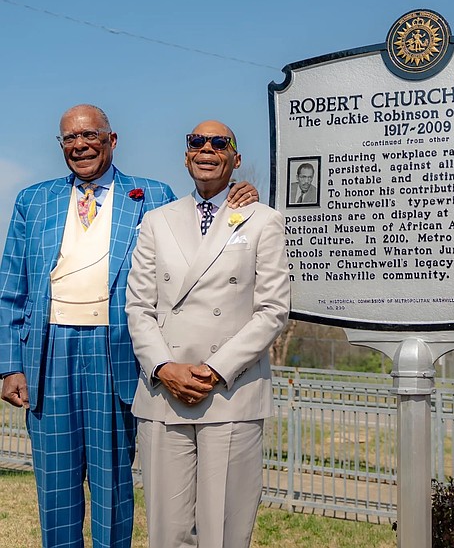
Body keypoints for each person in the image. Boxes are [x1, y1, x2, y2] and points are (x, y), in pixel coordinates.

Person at [0, 104, 258, 548]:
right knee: (55, 488)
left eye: (90, 136)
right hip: (48, 353)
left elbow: (200, 220)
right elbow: (11, 289)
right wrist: (10, 365)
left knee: (114, 486)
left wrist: (238, 194)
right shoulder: (32, 200)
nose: (79, 145)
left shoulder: (151, 194)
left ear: (112, 140)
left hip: (117, 353)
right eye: (69, 139)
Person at [126, 120, 290, 547]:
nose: (207, 149)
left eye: (220, 143)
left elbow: (272, 310)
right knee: (167, 531)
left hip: (230, 392)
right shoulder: (156, 221)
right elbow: (139, 308)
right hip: (164, 393)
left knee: (224, 532)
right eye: (196, 141)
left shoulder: (262, 220)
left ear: (235, 159)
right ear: (185, 156)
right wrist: (164, 367)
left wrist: (215, 369)